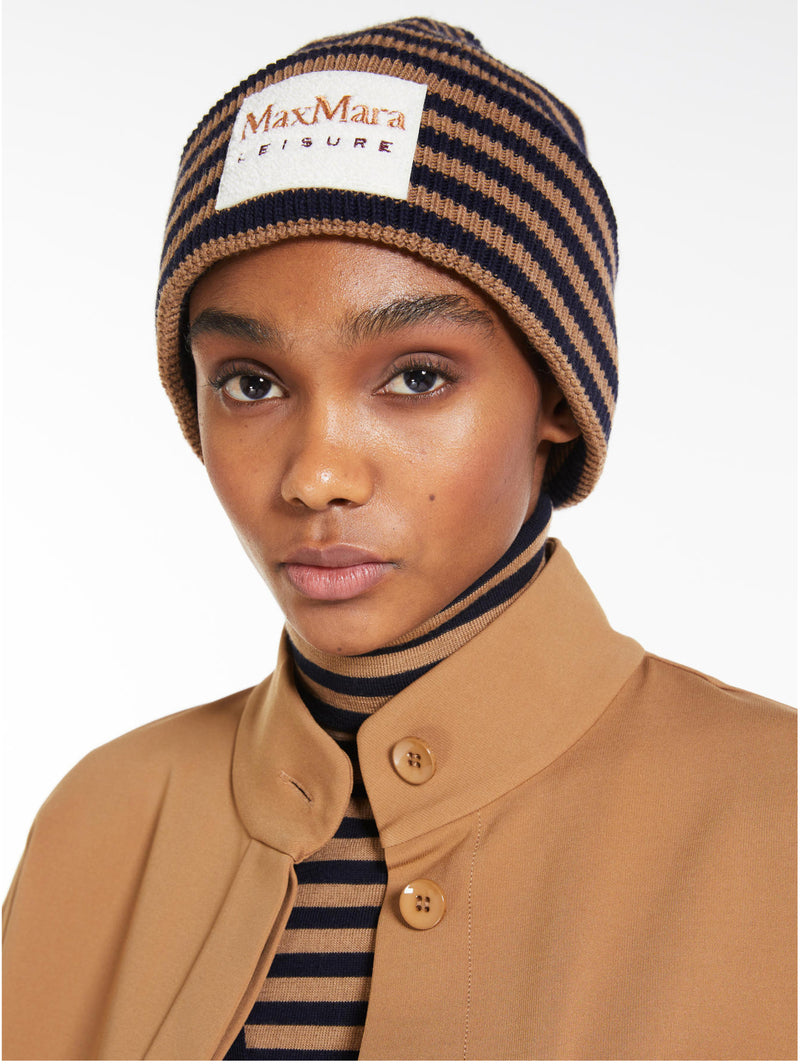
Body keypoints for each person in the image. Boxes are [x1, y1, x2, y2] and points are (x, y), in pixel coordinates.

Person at [2, 17, 795, 1061]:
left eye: (416, 377)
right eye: (251, 384)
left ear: (559, 395)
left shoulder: (775, 814)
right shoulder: (96, 824)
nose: (316, 475)